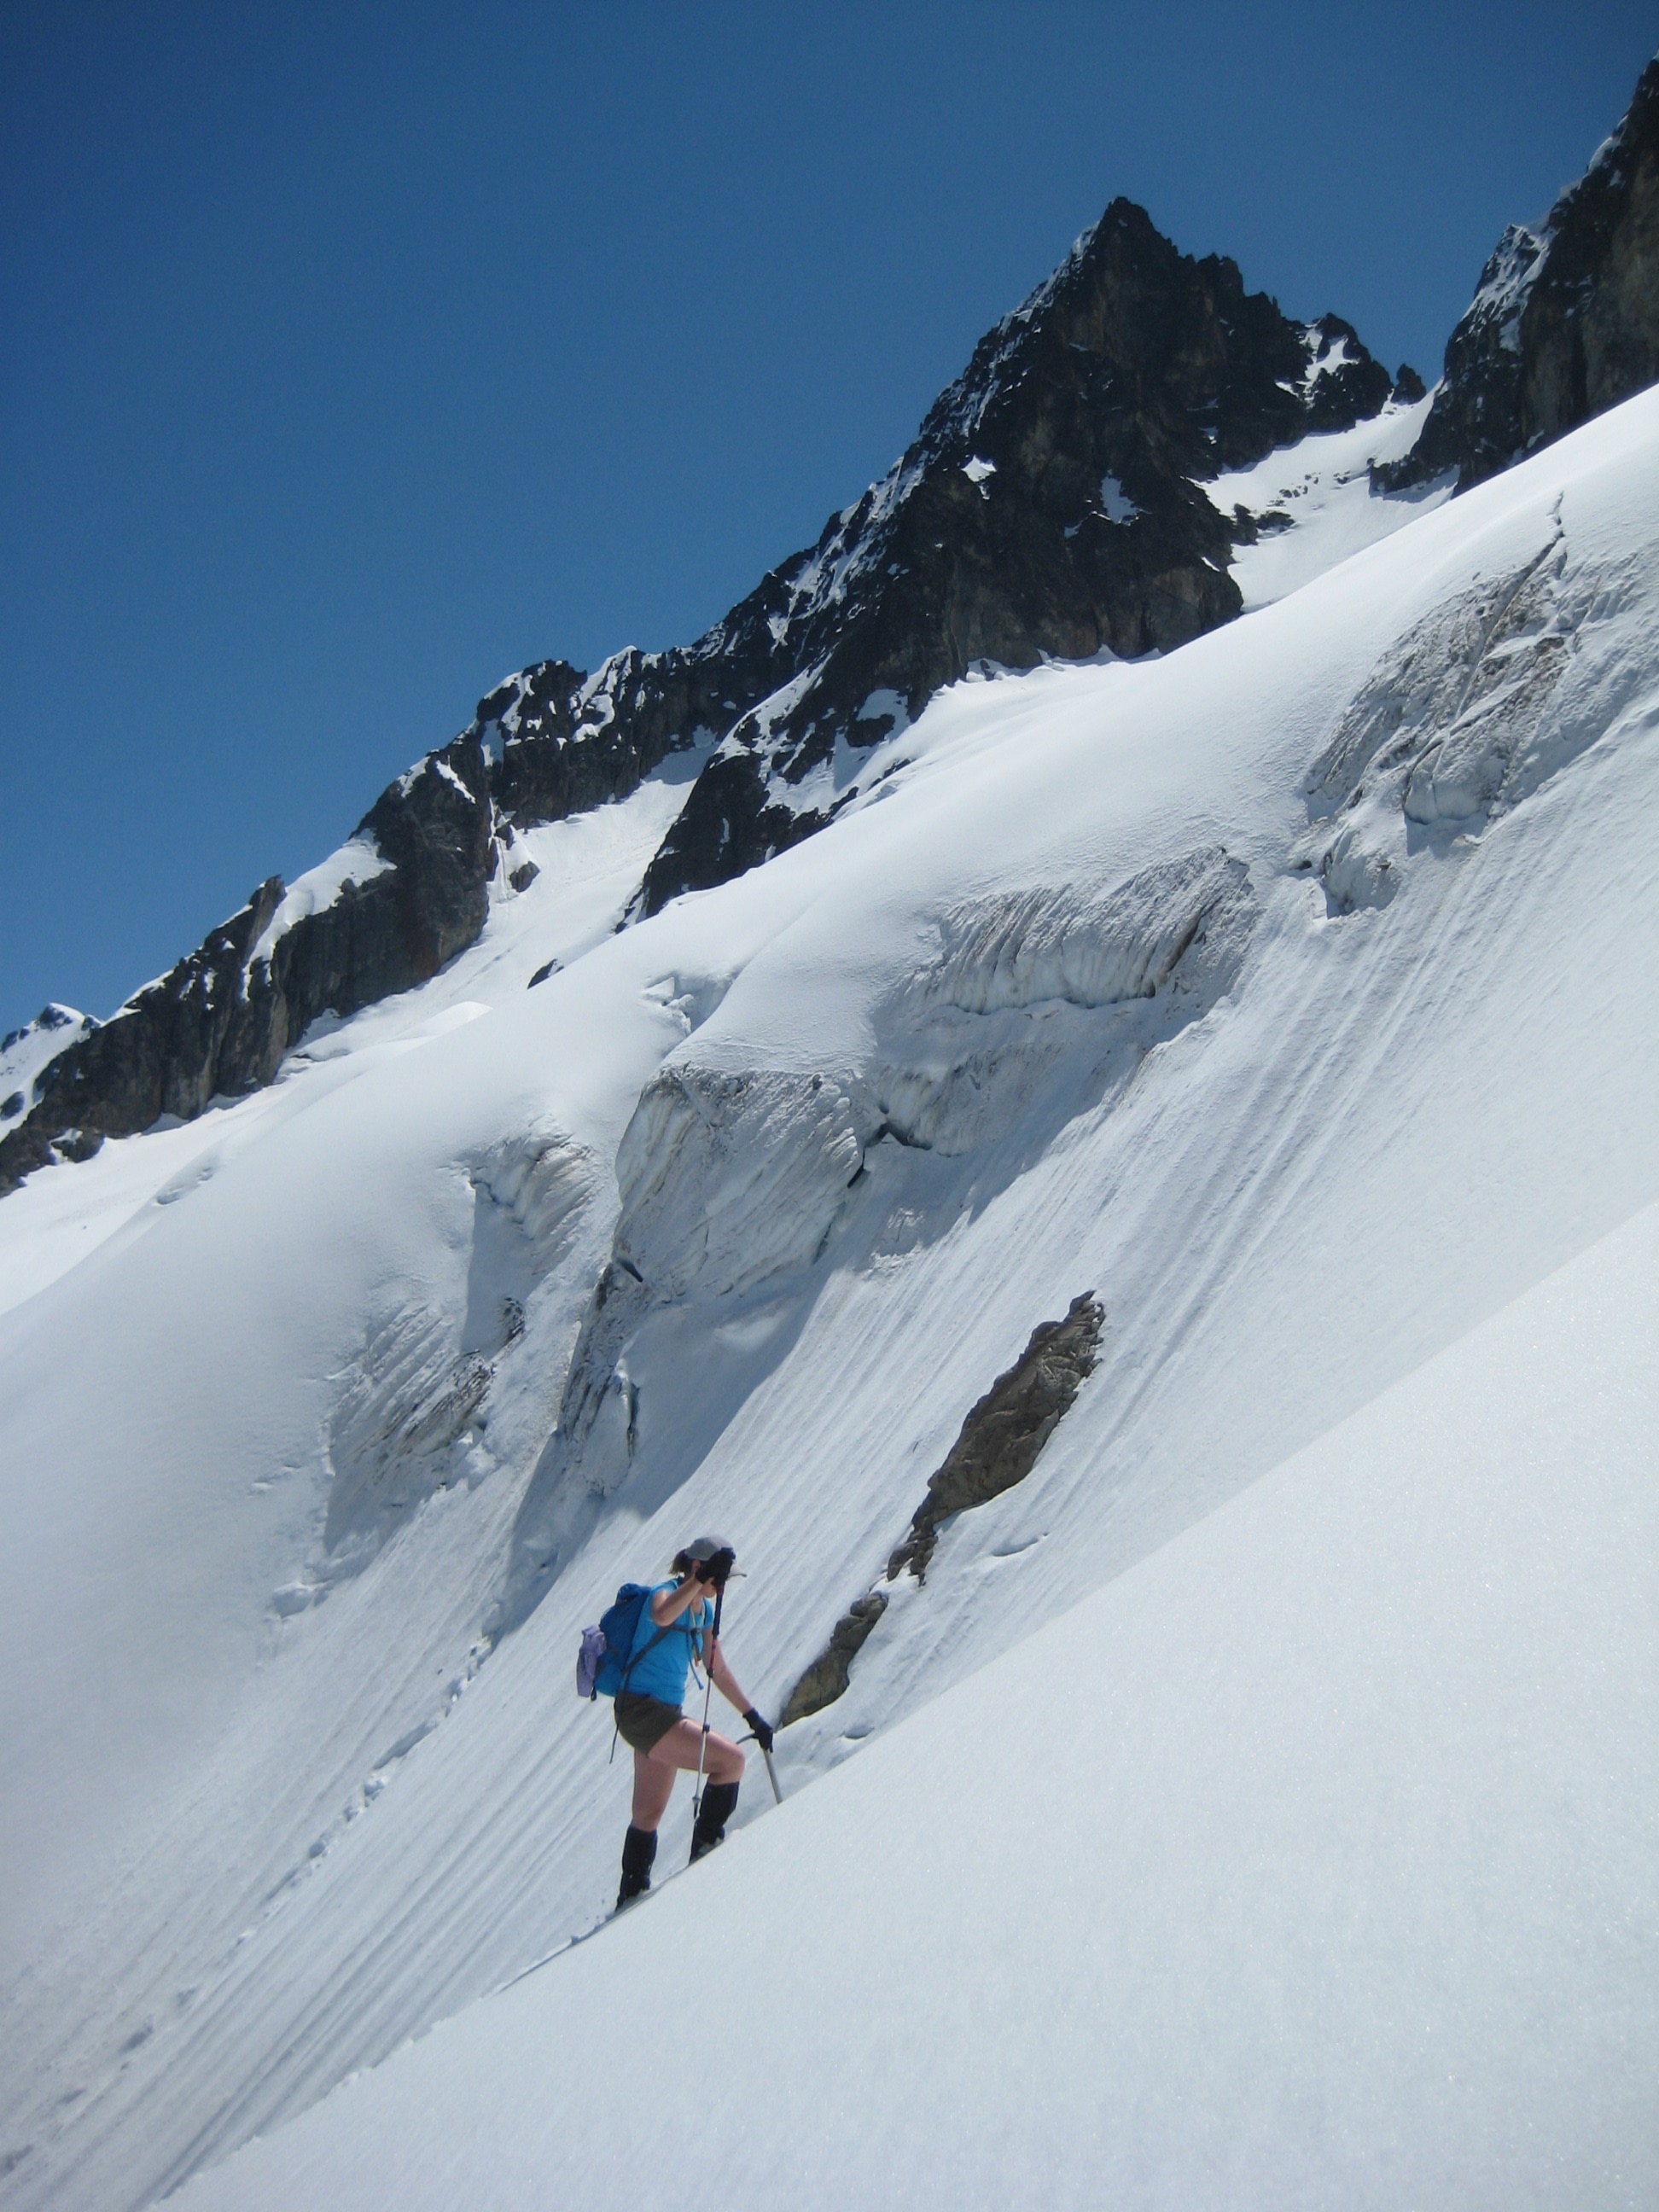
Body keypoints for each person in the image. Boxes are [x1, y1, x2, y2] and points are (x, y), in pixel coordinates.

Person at [613, 1534, 775, 1911]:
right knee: (731, 1762)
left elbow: (714, 1665)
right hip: (642, 1710)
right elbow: (662, 1615)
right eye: (719, 1578)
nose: (722, 1587)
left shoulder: (701, 1610)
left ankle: (630, 1898)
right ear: (698, 1569)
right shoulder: (665, 1593)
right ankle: (707, 1858)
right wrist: (698, 1583)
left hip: (658, 1713)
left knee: (648, 1813)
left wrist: (752, 1715)